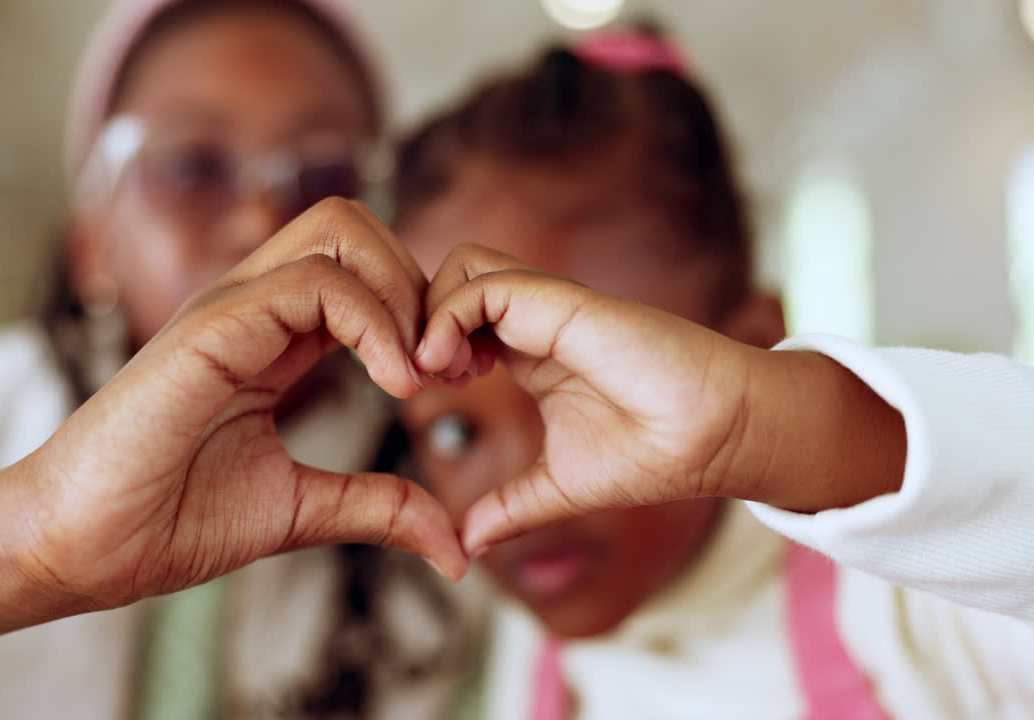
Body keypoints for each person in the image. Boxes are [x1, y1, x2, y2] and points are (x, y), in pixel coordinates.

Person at [0, 2, 471, 718]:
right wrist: (22, 541)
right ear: (94, 241)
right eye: (194, 166)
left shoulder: (443, 488)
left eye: (325, 174)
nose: (262, 221)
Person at [397, 39, 1034, 718]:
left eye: (592, 396)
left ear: (753, 348)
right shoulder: (532, 648)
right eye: (458, 431)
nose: (520, 487)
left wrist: (769, 422)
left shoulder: (913, 607)